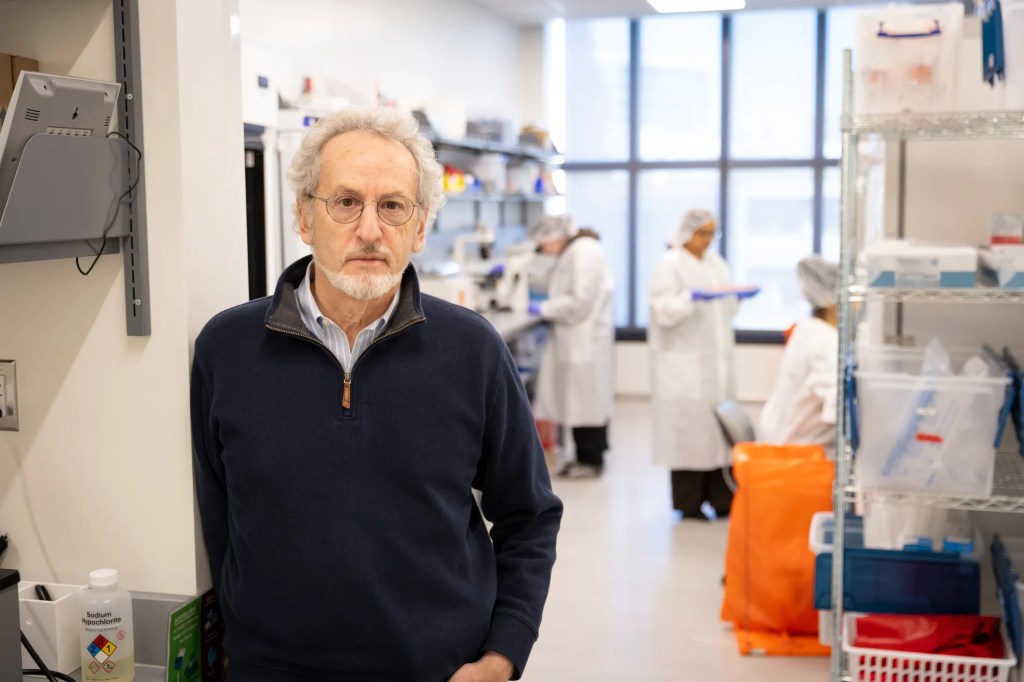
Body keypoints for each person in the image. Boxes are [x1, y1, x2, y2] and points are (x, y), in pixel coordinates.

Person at [190, 106, 563, 682]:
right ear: (304, 217)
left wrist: (501, 656)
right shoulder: (228, 350)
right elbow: (220, 522)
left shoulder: (473, 351)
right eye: (346, 202)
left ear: (420, 226)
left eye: (392, 206)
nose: (369, 230)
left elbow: (530, 515)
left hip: (437, 668)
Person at [648, 208, 752, 519]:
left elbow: (727, 310)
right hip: (684, 366)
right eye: (702, 233)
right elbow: (661, 311)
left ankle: (722, 500)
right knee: (689, 437)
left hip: (716, 364)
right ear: (686, 232)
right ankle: (689, 503)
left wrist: (738, 296)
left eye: (711, 233)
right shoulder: (669, 264)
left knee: (720, 434)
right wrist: (690, 299)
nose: (707, 240)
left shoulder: (717, 264)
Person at [527, 214, 615, 480]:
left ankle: (590, 460)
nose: (543, 250)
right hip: (581, 338)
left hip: (583, 339)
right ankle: (589, 455)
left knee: (584, 403)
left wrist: (543, 308)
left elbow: (579, 302)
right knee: (585, 401)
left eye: (543, 244)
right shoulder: (577, 250)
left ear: (555, 237)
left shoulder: (582, 252)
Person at [759, 255, 839, 452]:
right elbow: (835, 407)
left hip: (783, 440)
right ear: (833, 300)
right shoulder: (825, 341)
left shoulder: (808, 329)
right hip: (798, 453)